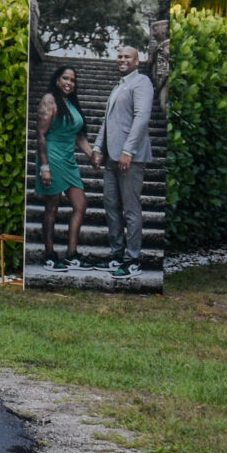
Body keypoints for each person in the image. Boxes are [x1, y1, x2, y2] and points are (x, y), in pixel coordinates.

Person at [100, 42, 155, 277]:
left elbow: (142, 117)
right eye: (120, 56)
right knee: (111, 205)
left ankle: (133, 260)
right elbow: (107, 121)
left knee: (130, 209)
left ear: (137, 61)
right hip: (111, 156)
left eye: (127, 57)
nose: (122, 60)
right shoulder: (119, 86)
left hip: (130, 157)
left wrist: (128, 151)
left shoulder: (142, 82)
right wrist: (97, 147)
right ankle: (116, 255)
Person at [33, 66, 88, 271]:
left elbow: (79, 136)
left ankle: (71, 254)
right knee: (52, 206)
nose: (69, 83)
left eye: (72, 80)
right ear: (57, 80)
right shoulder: (49, 99)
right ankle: (49, 254)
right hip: (52, 156)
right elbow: (41, 134)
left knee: (80, 205)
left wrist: (92, 155)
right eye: (65, 78)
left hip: (68, 159)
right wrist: (44, 167)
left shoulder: (71, 103)